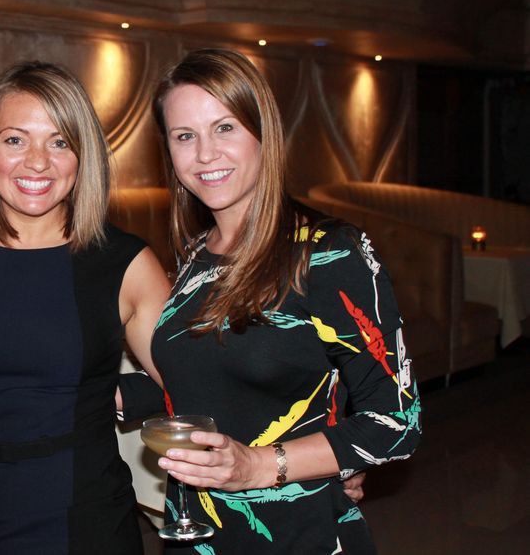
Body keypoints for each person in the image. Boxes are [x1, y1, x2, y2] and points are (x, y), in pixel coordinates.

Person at [136, 48, 421, 553]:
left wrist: (258, 466)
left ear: (263, 132)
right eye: (185, 136)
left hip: (298, 533)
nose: (204, 154)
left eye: (225, 128)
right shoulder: (197, 253)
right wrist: (96, 393)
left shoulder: (330, 251)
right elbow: (203, 382)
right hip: (197, 533)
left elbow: (397, 422)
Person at [0, 61, 172, 554]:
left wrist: (106, 395)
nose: (38, 162)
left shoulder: (123, 261)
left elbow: (201, 381)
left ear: (83, 156)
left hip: (80, 522)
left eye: (60, 142)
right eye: (15, 140)